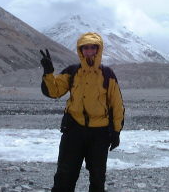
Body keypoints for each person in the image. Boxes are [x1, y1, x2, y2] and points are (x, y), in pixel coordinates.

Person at [40, 32, 125, 192]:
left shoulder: (107, 74)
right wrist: (48, 73)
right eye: (85, 48)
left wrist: (116, 132)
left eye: (93, 48)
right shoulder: (72, 71)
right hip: (74, 130)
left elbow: (117, 104)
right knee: (64, 176)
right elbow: (54, 91)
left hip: (99, 134)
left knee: (98, 178)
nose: (89, 51)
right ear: (81, 50)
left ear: (98, 50)